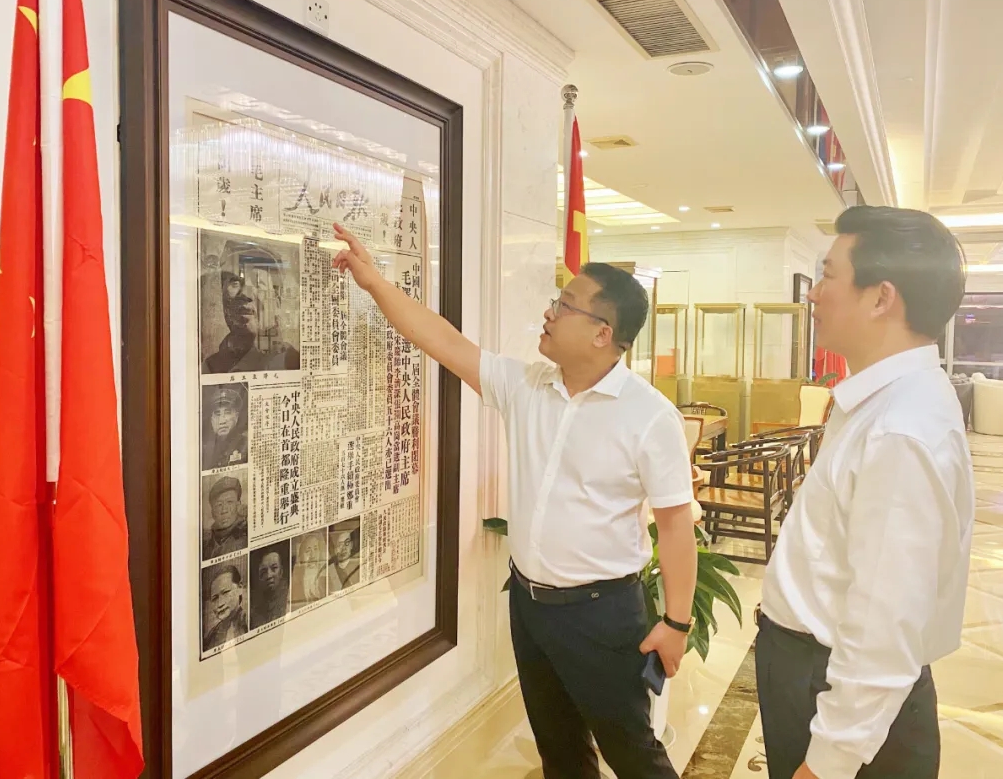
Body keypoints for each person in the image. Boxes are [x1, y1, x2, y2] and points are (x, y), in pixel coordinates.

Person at [331, 223, 698, 779]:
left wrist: (677, 623)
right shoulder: (527, 386)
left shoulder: (649, 417)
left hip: (602, 614)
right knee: (559, 749)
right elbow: (443, 341)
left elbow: (674, 526)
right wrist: (374, 281)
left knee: (633, 755)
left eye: (564, 306)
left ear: (602, 333)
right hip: (530, 606)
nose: (549, 313)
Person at [756, 206, 973, 779]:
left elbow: (886, 623)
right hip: (810, 670)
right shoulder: (877, 400)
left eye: (828, 275)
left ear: (881, 298)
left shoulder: (901, 427)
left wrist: (828, 762)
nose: (813, 293)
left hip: (834, 687)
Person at [202, 239, 301, 374]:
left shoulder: (292, 363)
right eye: (235, 284)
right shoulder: (209, 367)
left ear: (277, 303)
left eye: (258, 283)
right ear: (223, 299)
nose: (245, 293)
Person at [203, 565, 249, 650]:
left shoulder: (250, 621)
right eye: (215, 598)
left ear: (240, 588)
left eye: (225, 592)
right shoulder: (211, 636)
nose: (220, 604)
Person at [202, 476, 248, 560]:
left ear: (238, 505)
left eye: (230, 502)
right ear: (212, 511)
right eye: (219, 505)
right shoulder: (206, 543)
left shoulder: (246, 536)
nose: (224, 510)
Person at [202, 386, 248, 470]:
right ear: (211, 420)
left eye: (227, 413)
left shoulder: (245, 444)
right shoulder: (203, 449)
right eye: (217, 414)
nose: (222, 421)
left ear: (236, 417)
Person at [250, 545, 289, 627]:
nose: (269, 575)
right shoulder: (254, 608)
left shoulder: (289, 596)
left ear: (281, 571)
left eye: (274, 568)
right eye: (264, 572)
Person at [290, 532, 328, 610]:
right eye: (308, 551)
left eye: (316, 549)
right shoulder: (294, 587)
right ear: (300, 558)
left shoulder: (326, 581)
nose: (313, 555)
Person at [328, 526, 361, 592]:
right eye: (340, 545)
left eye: (347, 543)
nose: (344, 548)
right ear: (336, 549)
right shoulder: (331, 571)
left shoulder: (358, 567)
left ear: (351, 545)